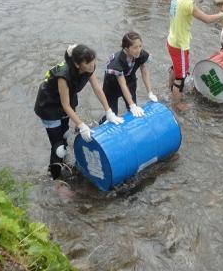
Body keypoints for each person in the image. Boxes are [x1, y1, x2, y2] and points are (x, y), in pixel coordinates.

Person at [34, 44, 124, 180]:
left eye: (93, 60)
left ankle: (64, 163)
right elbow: (65, 105)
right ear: (77, 64)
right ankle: (55, 179)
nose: (92, 64)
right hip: (49, 105)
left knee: (64, 135)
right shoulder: (63, 76)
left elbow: (98, 89)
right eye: (88, 62)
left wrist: (109, 111)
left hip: (67, 99)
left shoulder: (89, 68)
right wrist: (82, 125)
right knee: (58, 148)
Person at [167, 0, 223, 99]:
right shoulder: (188, 3)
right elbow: (206, 19)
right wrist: (221, 15)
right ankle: (176, 104)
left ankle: (169, 88)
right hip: (180, 45)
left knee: (176, 68)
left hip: (172, 40)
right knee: (181, 78)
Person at [100, 31, 157, 120]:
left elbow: (144, 72)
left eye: (140, 46)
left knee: (133, 109)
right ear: (126, 49)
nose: (138, 50)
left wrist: (150, 92)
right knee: (112, 114)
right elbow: (122, 85)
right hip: (112, 84)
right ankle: (102, 124)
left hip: (130, 79)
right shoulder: (117, 62)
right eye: (135, 47)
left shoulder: (140, 53)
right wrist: (132, 105)